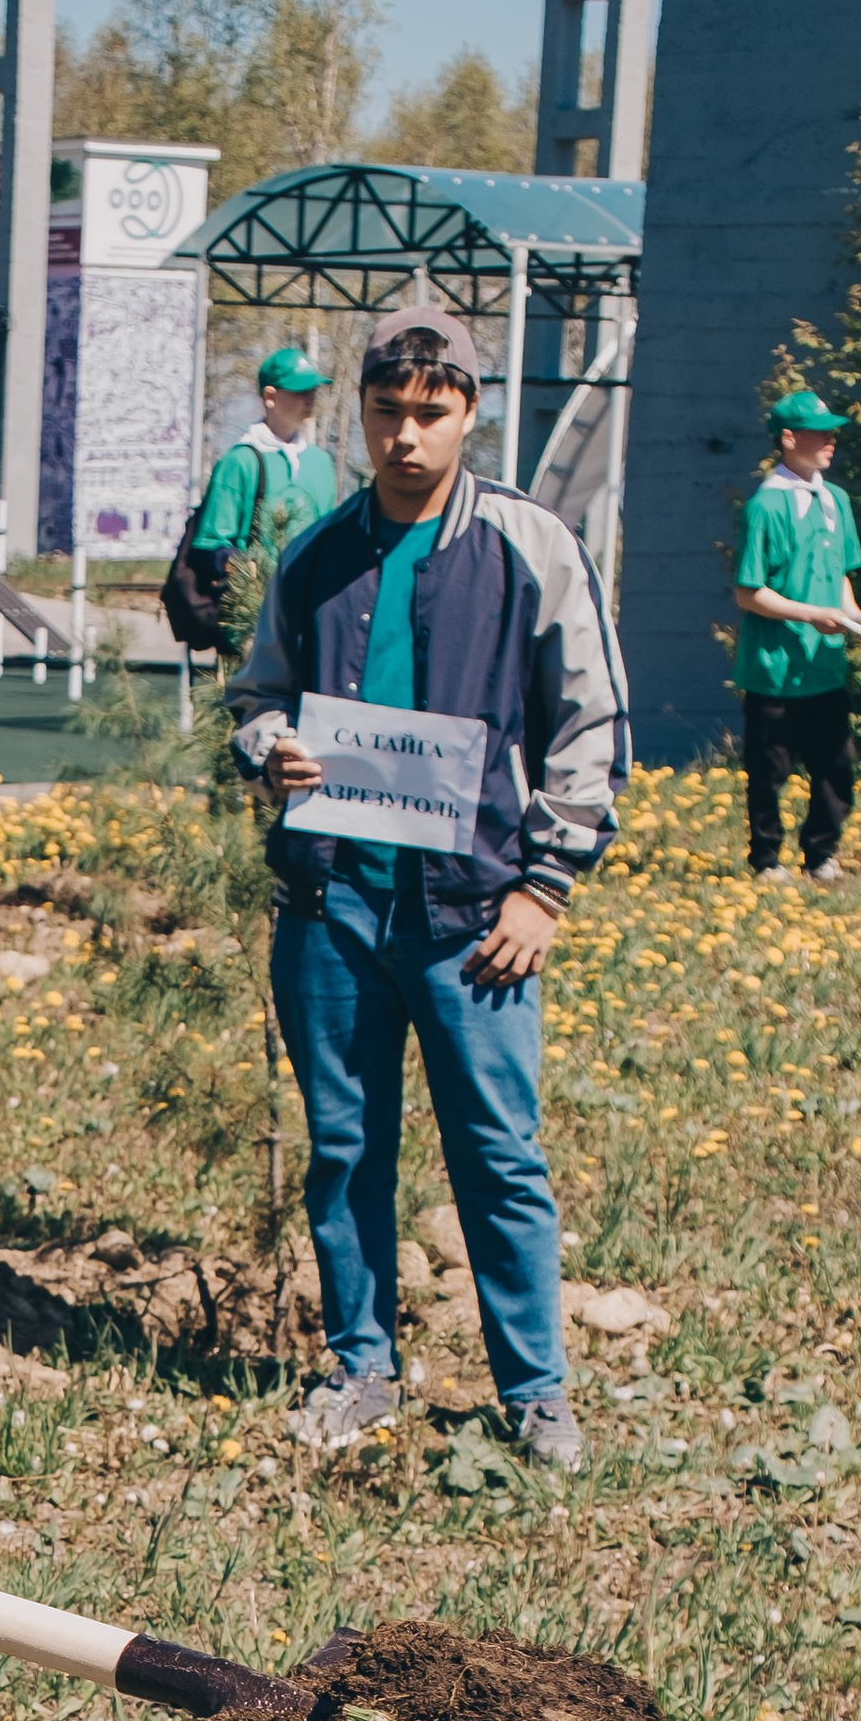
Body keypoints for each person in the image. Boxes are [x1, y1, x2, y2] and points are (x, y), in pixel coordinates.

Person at [229, 304, 629, 1477]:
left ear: (470, 413)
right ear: (358, 413)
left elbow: (589, 722)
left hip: (476, 918)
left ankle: (535, 1394)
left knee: (497, 1156)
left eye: (432, 412)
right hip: (331, 908)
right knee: (344, 1148)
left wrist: (544, 887)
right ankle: (361, 1369)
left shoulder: (529, 545)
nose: (406, 435)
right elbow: (256, 695)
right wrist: (270, 749)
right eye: (387, 411)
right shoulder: (314, 555)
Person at [735, 386, 861, 886]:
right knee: (770, 772)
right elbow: (749, 593)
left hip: (824, 665)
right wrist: (811, 613)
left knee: (836, 766)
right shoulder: (766, 506)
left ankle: (820, 856)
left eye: (833, 433)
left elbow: (840, 572)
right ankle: (767, 861)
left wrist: (856, 616)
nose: (831, 441)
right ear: (789, 438)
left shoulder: (836, 500)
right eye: (820, 433)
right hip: (774, 669)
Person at [191, 346, 340, 576]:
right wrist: (245, 574)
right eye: (300, 391)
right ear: (270, 397)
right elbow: (211, 545)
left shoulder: (321, 463)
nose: (310, 398)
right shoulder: (240, 462)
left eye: (313, 391)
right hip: (253, 607)